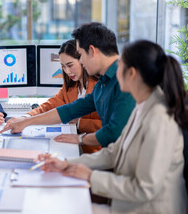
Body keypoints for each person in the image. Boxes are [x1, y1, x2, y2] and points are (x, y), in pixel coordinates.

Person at [39, 40, 188, 214]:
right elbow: (115, 152)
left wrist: (90, 176)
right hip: (130, 205)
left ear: (131, 73)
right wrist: (66, 164)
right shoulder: (143, 106)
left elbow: (144, 189)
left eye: (119, 67)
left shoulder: (160, 121)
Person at [1, 22, 135, 148]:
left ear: (92, 51)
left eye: (81, 55)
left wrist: (80, 139)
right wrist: (25, 122)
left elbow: (114, 133)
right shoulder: (103, 83)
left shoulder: (126, 81)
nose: (81, 61)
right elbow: (71, 110)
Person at [7, 40, 102, 153]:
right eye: (63, 66)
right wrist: (26, 117)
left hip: (93, 150)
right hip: (74, 145)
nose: (67, 71)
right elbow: (51, 104)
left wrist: (79, 122)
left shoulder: (99, 87)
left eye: (70, 65)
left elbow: (108, 126)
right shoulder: (71, 85)